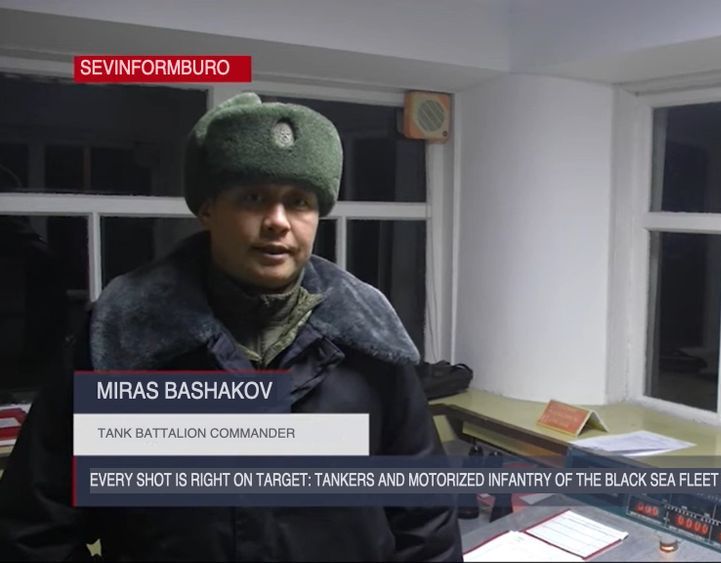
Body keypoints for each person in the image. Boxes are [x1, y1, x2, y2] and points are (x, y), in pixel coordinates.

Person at [0, 93, 462, 561]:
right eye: (253, 198)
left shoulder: (371, 341)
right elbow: (35, 530)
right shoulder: (121, 339)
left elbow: (426, 522)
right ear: (208, 208)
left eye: (299, 202)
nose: (277, 222)